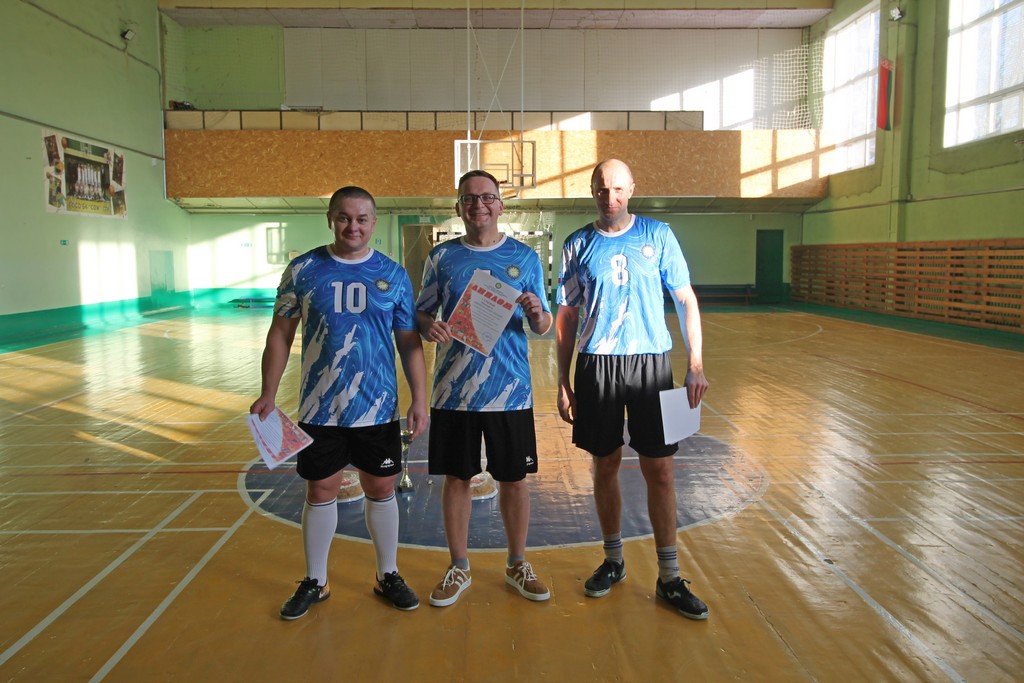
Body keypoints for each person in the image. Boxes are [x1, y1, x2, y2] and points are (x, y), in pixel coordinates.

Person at [250, 186, 429, 620]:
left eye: (362, 219)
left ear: (373, 221)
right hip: (320, 407)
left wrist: (419, 399)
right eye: (344, 218)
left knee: (381, 488)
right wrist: (268, 392)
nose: (353, 227)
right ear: (331, 219)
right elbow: (280, 333)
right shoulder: (303, 269)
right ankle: (316, 580)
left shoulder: (392, 274)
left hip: (378, 407)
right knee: (321, 489)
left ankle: (387, 573)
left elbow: (409, 342)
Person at [554, 159, 711, 620]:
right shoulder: (577, 243)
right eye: (603, 189)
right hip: (596, 365)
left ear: (632, 189)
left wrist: (695, 365)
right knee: (604, 464)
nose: (611, 198)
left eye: (619, 189)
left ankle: (669, 577)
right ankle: (613, 560)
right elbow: (566, 315)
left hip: (651, 365)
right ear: (592, 191)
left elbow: (685, 298)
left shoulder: (658, 235)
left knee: (660, 470)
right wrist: (562, 380)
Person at [416, 170, 552, 607]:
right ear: (459, 207)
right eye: (469, 198)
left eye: (487, 197)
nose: (479, 205)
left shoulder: (524, 258)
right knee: (457, 478)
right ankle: (459, 565)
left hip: (510, 390)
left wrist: (536, 312)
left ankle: (517, 564)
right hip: (453, 391)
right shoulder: (441, 257)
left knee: (514, 479)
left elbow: (543, 324)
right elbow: (422, 313)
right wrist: (429, 326)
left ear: (500, 204)